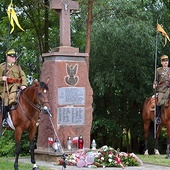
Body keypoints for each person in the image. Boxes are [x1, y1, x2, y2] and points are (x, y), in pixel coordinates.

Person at [0, 49, 27, 127]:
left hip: (17, 86)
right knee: (6, 101)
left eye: (14, 57)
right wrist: (2, 78)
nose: (14, 58)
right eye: (12, 57)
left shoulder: (18, 67)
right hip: (6, 89)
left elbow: (23, 76)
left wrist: (24, 84)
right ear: (7, 57)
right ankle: (4, 119)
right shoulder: (2, 67)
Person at [153, 55, 170, 124]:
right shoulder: (158, 70)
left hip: (169, 88)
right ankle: (157, 118)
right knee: (159, 102)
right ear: (161, 63)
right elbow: (156, 80)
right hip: (161, 89)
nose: (166, 62)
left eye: (167, 61)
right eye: (164, 61)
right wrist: (154, 84)